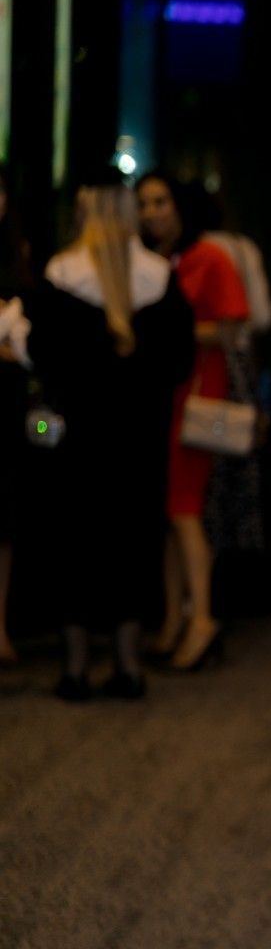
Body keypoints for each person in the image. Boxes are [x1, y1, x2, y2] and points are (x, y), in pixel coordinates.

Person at [22, 170, 194, 699]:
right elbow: (180, 362)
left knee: (74, 544)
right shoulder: (159, 278)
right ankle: (129, 664)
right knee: (134, 543)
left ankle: (74, 668)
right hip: (138, 441)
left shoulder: (59, 274)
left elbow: (42, 355)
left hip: (76, 441)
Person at [136, 173, 250, 670]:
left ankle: (200, 617)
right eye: (143, 204)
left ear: (180, 206)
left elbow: (230, 330)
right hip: (161, 397)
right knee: (170, 512)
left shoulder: (210, 258)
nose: (151, 213)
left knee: (183, 509)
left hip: (196, 395)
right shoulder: (154, 261)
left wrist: (167, 333)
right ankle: (174, 618)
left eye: (160, 202)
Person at [0, 163, 35, 667]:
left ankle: (1, 627)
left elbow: (32, 342)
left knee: (3, 518)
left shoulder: (18, 256)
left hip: (6, 395)